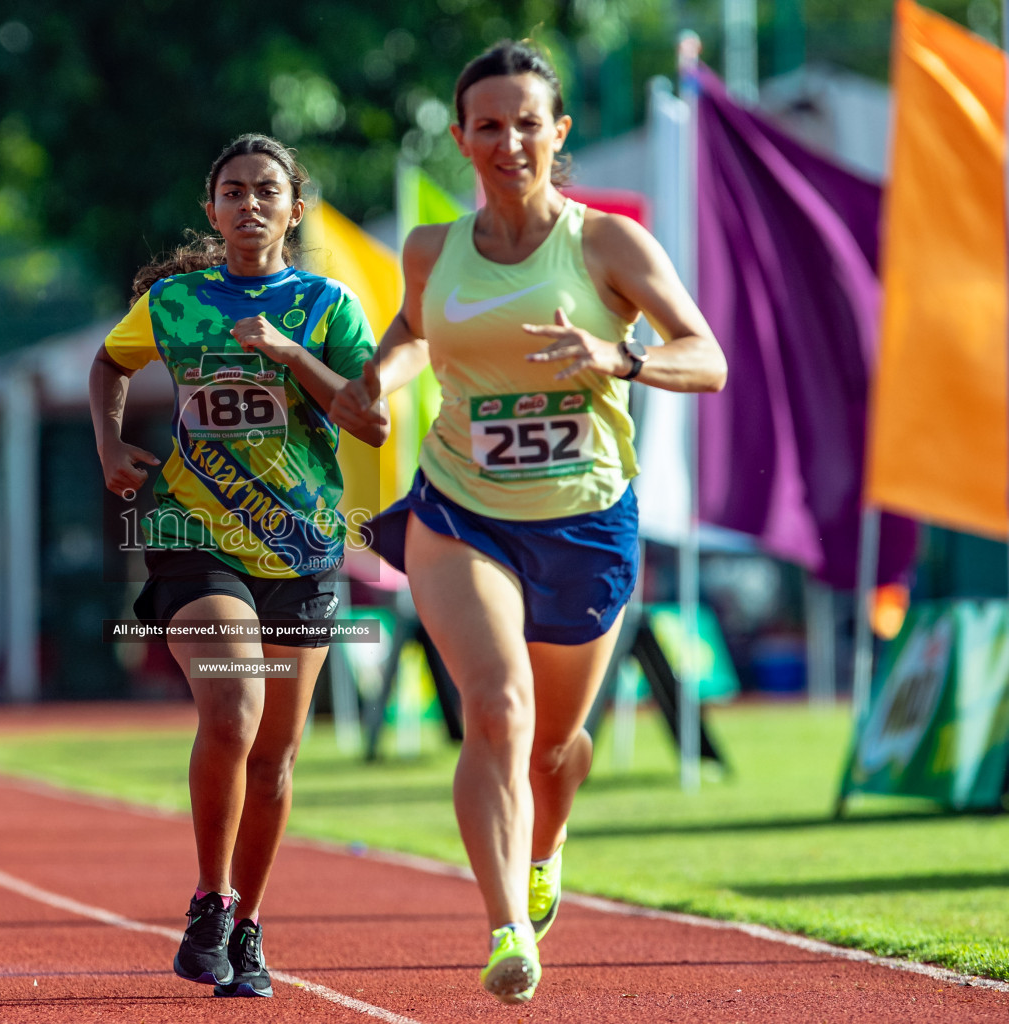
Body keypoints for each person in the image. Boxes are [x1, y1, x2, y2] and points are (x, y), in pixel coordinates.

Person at [331, 41, 727, 1003]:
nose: (508, 141)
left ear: (559, 132)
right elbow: (416, 333)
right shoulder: (432, 248)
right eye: (488, 125)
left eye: (525, 123)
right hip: (462, 508)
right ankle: (509, 926)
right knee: (496, 708)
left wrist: (619, 360)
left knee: (555, 748)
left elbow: (705, 356)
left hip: (586, 520)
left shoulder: (608, 247)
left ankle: (546, 846)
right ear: (463, 139)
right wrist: (374, 382)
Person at [89, 134, 386, 998]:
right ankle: (210, 902)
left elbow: (369, 422)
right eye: (233, 191)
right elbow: (111, 360)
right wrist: (111, 441)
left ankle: (249, 926)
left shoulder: (327, 304)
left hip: (301, 549)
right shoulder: (176, 304)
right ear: (210, 210)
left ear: (295, 209)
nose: (250, 205)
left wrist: (291, 356)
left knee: (279, 758)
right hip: (195, 537)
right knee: (233, 708)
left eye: (267, 191)